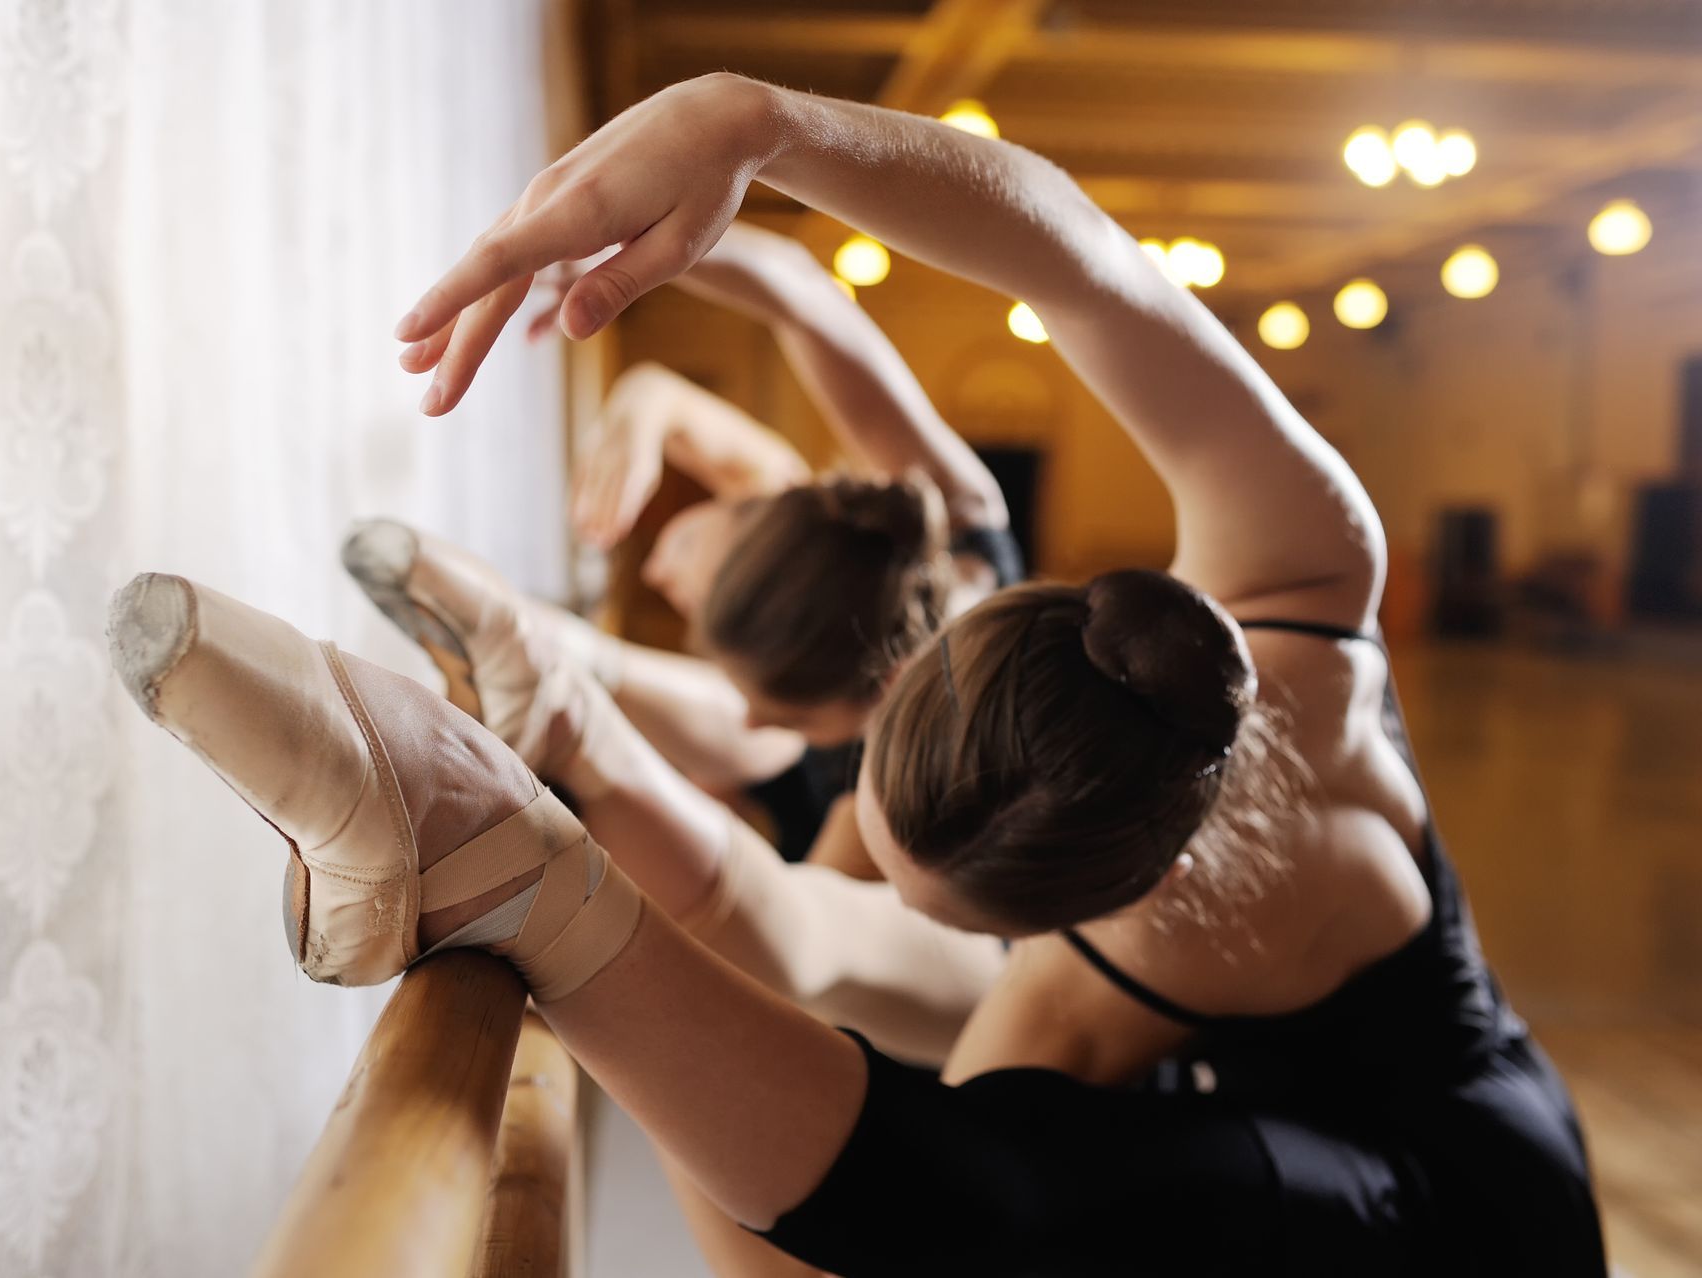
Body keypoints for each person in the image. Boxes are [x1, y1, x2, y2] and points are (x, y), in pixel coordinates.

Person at [118, 73, 1604, 1275]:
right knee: (819, 979)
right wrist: (747, 123)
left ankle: (514, 853)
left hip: (1457, 1223)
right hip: (1390, 1073)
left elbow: (823, 1210)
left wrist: (600, 996)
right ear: (964, 619)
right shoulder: (1302, 569)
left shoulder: (1089, 992)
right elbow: (1079, 258)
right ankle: (544, 756)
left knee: (983, 1202)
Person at [526, 220, 1025, 866]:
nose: (762, 720)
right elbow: (803, 293)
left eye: (792, 718)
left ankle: (555, 650)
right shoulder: (964, 516)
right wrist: (619, 251)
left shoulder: (903, 802)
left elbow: (784, 938)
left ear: (885, 694)